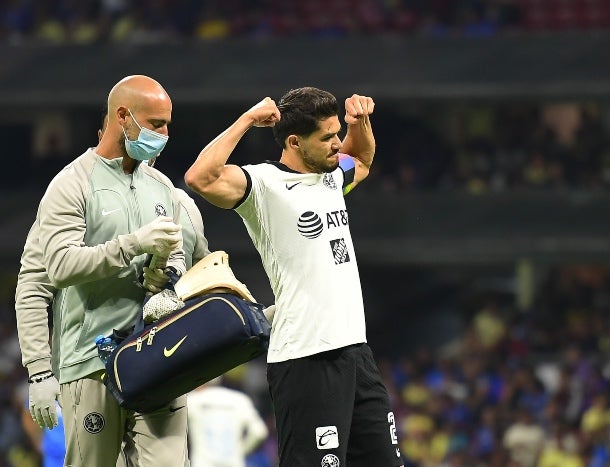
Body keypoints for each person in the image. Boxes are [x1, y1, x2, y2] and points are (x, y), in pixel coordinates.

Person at [185, 87, 404, 466]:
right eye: (327, 138)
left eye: (338, 134)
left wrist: (360, 123)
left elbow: (363, 157)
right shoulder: (264, 186)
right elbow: (201, 178)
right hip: (306, 358)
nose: (338, 145)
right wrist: (247, 120)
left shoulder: (333, 177)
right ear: (294, 142)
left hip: (356, 353)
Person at [16, 109, 212, 465]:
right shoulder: (71, 189)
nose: (161, 136)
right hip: (91, 363)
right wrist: (39, 370)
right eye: (154, 126)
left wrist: (168, 281)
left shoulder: (177, 200)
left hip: (161, 361)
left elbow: (198, 278)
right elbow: (34, 283)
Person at [186, 376, 268, 467]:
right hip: (233, 463)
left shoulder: (193, 400)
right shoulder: (240, 400)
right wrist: (240, 452)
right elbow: (259, 431)